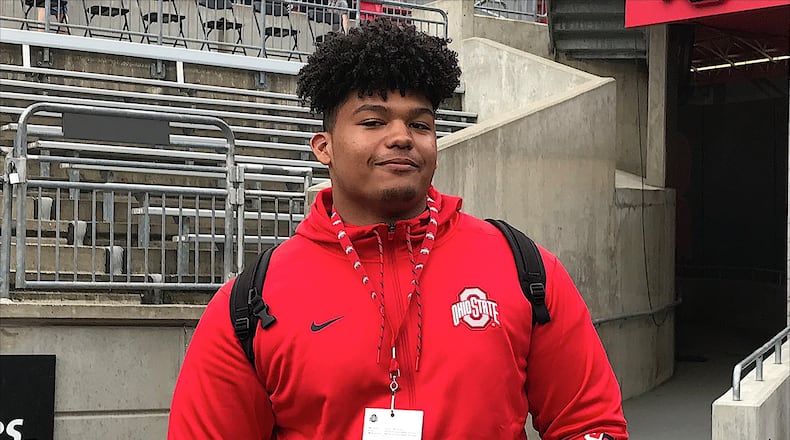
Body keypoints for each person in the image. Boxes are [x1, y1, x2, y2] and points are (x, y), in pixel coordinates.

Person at [168, 19, 629, 440]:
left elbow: (588, 421)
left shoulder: (523, 268)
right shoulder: (251, 301)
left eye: (420, 124)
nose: (402, 136)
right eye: (373, 121)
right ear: (323, 147)